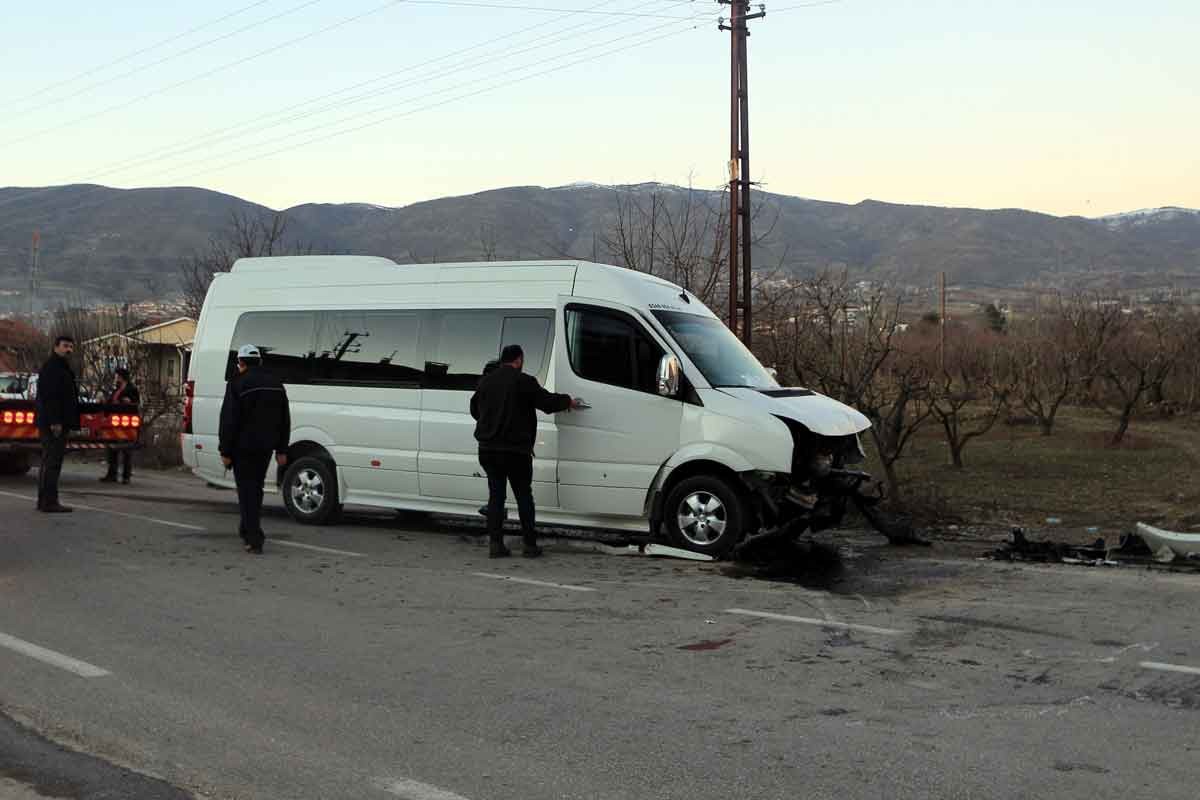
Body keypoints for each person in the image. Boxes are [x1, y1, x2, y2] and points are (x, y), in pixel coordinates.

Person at [470, 344, 580, 558]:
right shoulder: (525, 381)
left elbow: (475, 410)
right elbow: (547, 402)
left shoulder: (485, 382)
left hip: (488, 450)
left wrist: (492, 423)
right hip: (515, 452)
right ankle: (530, 546)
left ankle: (496, 545)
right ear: (519, 360)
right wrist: (568, 401)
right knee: (523, 496)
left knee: (496, 497)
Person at [219, 345, 291, 555]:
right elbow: (284, 419)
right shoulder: (276, 384)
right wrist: (281, 449)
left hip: (243, 448)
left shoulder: (237, 383)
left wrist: (225, 451)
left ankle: (254, 538)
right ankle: (246, 529)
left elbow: (229, 420)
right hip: (265, 448)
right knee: (255, 489)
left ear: (241, 363)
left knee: (246, 491)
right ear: (259, 362)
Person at [35, 336, 80, 513]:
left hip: (57, 420)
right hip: (53, 422)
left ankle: (44, 500)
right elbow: (50, 397)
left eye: (71, 346)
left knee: (50, 461)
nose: (68, 349)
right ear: (56, 347)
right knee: (52, 461)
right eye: (65, 346)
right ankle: (49, 501)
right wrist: (55, 421)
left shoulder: (62, 367)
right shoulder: (53, 367)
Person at [100, 367, 140, 484]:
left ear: (122, 377)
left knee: (126, 449)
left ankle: (126, 476)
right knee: (111, 449)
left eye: (117, 376)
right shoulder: (116, 389)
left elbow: (136, 402)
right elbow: (110, 402)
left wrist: (128, 401)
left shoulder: (131, 389)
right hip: (113, 421)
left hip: (125, 422)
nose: (115, 378)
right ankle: (111, 474)